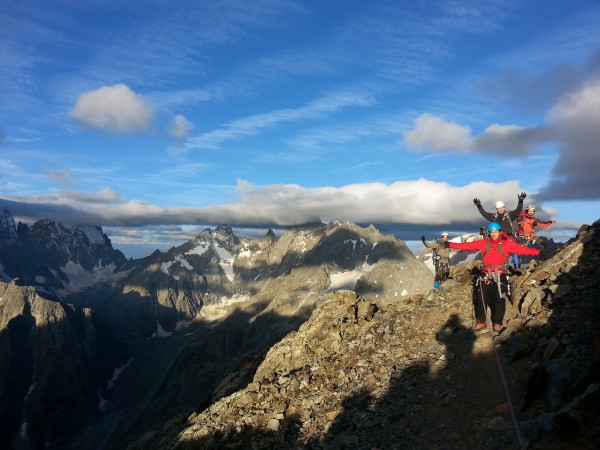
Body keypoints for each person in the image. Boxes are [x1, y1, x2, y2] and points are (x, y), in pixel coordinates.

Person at [445, 222, 540, 333]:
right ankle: (481, 320)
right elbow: (467, 246)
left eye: (495, 232)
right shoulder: (483, 243)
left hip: (500, 274)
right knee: (481, 298)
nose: (493, 234)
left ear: (500, 232)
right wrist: (449, 244)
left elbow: (523, 250)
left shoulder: (506, 244)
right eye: (491, 232)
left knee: (499, 299)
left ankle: (497, 322)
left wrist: (537, 251)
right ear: (489, 233)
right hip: (485, 273)